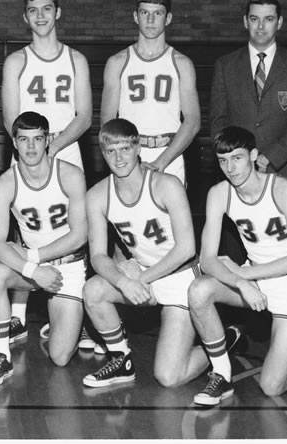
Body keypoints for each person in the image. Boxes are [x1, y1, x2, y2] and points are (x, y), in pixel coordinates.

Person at [187, 126, 287, 406]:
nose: (230, 167)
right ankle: (221, 374)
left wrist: (243, 273)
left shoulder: (284, 189)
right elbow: (207, 259)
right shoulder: (219, 194)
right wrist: (241, 282)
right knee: (198, 291)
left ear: (253, 155)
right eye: (223, 161)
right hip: (252, 278)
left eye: (237, 158)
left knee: (272, 386)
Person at [81, 118, 215, 389]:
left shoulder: (167, 185)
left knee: (169, 377)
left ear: (138, 148)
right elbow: (97, 256)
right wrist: (123, 281)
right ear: (102, 153)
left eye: (125, 149)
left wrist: (141, 279)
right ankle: (122, 360)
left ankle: (225, 344)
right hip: (142, 275)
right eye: (110, 151)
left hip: (180, 278)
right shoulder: (97, 195)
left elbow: (187, 248)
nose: (118, 158)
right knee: (92, 291)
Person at [0, 0, 94, 348]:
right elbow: (10, 117)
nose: (40, 16)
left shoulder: (76, 60)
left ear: (58, 13)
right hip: (27, 149)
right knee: (24, 232)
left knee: (72, 232)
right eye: (33, 11)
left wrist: (51, 146)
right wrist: (34, 148)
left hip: (64, 150)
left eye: (46, 9)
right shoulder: (16, 61)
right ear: (25, 17)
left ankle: (76, 313)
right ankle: (18, 318)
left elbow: (84, 116)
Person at [0, 111, 89, 387]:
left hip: (68, 266)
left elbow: (79, 236)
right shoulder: (5, 183)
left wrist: (34, 258)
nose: (30, 147)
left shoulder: (70, 174)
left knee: (60, 357)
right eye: (24, 139)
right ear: (14, 143)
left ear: (47, 140)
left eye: (37, 139)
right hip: (31, 267)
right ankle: (2, 356)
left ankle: (74, 319)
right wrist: (32, 270)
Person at [209, 0, 287, 187]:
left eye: (269, 19)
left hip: (283, 171)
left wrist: (271, 156)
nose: (260, 26)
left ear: (279, 22)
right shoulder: (225, 65)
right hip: (236, 173)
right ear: (245, 21)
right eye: (254, 19)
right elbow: (218, 120)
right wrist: (235, 158)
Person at [100, 0, 200, 185]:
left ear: (168, 18)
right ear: (136, 17)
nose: (151, 20)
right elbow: (108, 122)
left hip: (169, 155)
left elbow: (193, 120)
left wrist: (161, 162)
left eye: (158, 13)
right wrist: (123, 159)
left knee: (170, 216)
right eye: (145, 13)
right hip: (127, 155)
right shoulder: (117, 62)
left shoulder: (181, 63)